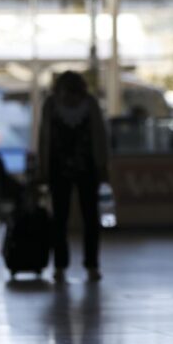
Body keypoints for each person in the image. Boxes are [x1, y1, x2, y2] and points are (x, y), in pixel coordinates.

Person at [38, 71, 109, 282]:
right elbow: (43, 138)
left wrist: (102, 165)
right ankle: (71, 266)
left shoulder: (81, 105)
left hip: (79, 168)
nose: (69, 99)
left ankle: (81, 265)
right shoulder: (55, 106)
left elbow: (100, 137)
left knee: (83, 219)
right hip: (67, 169)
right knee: (65, 219)